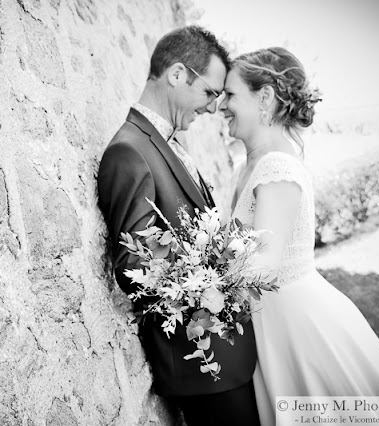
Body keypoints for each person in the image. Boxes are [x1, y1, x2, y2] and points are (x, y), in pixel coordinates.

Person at [220, 47, 379, 426]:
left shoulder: (276, 167)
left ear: (265, 98)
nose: (222, 105)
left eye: (231, 95)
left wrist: (204, 278)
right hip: (268, 322)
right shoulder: (246, 165)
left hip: (297, 324)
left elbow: (266, 265)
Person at [97, 26, 260, 426]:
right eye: (209, 92)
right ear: (177, 74)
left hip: (225, 358)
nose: (211, 107)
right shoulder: (128, 151)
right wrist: (206, 280)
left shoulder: (166, 141)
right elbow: (134, 266)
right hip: (199, 366)